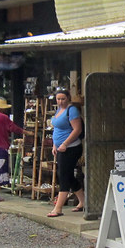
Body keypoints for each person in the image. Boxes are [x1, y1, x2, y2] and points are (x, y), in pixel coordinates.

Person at [47, 88, 85, 217]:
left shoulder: (72, 110)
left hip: (71, 148)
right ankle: (83, 202)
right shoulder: (58, 110)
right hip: (59, 147)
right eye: (58, 99)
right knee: (68, 176)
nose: (60, 101)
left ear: (68, 98)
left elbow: (77, 130)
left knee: (63, 175)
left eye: (63, 99)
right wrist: (54, 145)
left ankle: (58, 208)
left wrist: (65, 144)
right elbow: (57, 129)